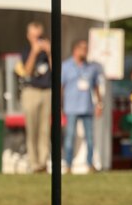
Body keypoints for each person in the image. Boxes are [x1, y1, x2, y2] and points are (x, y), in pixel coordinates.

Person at [61, 38, 104, 173]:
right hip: (71, 107)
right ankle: (68, 164)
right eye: (82, 49)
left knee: (90, 137)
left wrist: (99, 104)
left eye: (86, 49)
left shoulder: (92, 68)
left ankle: (90, 163)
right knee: (70, 137)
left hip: (87, 106)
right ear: (75, 50)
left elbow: (96, 86)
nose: (85, 52)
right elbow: (60, 87)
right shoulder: (66, 66)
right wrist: (59, 106)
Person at [19, 21, 53, 173]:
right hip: (31, 91)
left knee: (45, 129)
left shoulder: (47, 52)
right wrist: (34, 51)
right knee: (32, 128)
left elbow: (56, 70)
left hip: (46, 91)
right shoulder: (26, 51)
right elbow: (27, 71)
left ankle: (43, 162)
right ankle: (34, 163)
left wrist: (50, 52)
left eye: (40, 36)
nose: (38, 40)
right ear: (28, 37)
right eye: (34, 37)